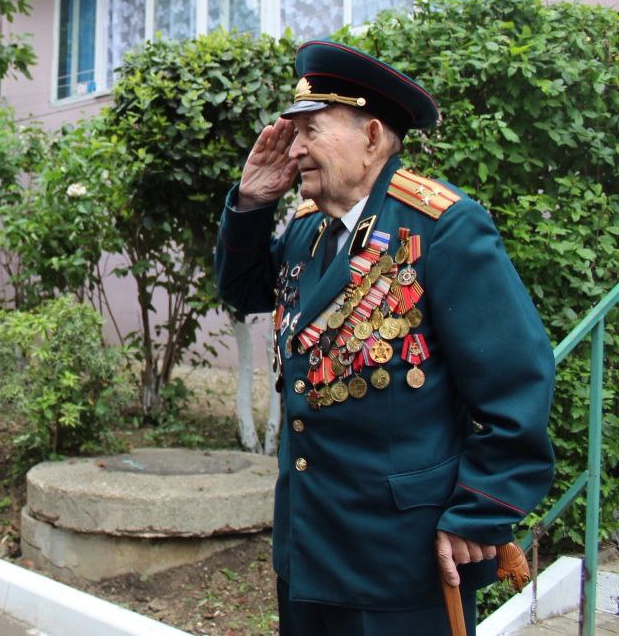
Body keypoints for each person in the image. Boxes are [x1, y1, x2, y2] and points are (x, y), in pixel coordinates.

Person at [214, 40, 555, 634]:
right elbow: (246, 290)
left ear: (371, 137)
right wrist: (249, 204)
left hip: (402, 555)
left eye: (310, 131)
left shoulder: (441, 226)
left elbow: (515, 379)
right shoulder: (308, 229)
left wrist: (480, 509)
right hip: (310, 541)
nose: (293, 150)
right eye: (292, 134)